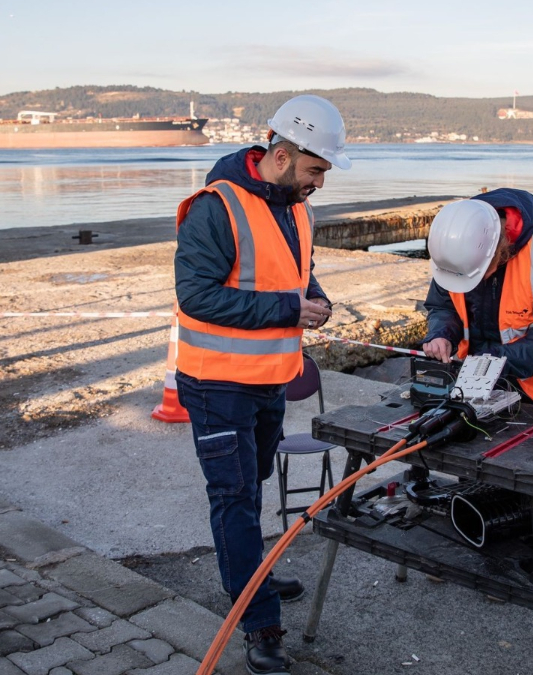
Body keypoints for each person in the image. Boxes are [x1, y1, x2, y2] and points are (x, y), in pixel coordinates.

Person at [173, 94, 350, 675]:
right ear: (280, 154)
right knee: (234, 501)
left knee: (250, 492)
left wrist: (314, 296)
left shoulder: (295, 206)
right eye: (315, 169)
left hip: (270, 379)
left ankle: (254, 577)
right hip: (216, 384)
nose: (320, 182)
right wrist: (286, 309)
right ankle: (259, 622)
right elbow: (196, 296)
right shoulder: (215, 208)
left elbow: (296, 269)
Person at [421, 189, 533, 405]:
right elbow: (442, 306)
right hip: (475, 379)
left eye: (478, 274)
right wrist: (441, 334)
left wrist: (496, 360)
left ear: (497, 250)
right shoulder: (455, 248)